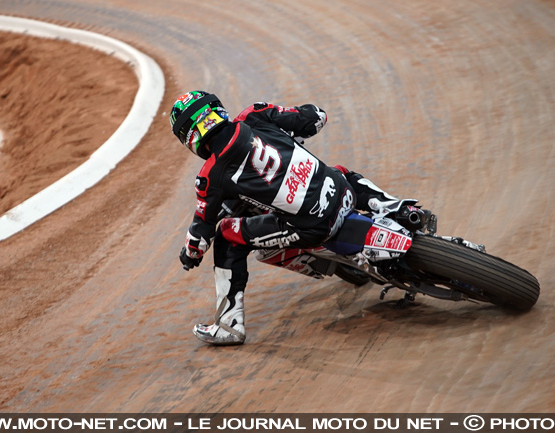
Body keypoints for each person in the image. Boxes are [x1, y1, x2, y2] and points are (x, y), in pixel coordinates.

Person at [170, 91, 400, 345]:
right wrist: (291, 136)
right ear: (217, 109)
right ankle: (398, 209)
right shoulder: (253, 114)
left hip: (315, 227)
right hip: (341, 192)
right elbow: (316, 117)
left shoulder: (209, 175)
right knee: (339, 172)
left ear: (189, 137)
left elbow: (199, 237)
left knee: (226, 234)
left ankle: (229, 326)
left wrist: (190, 255)